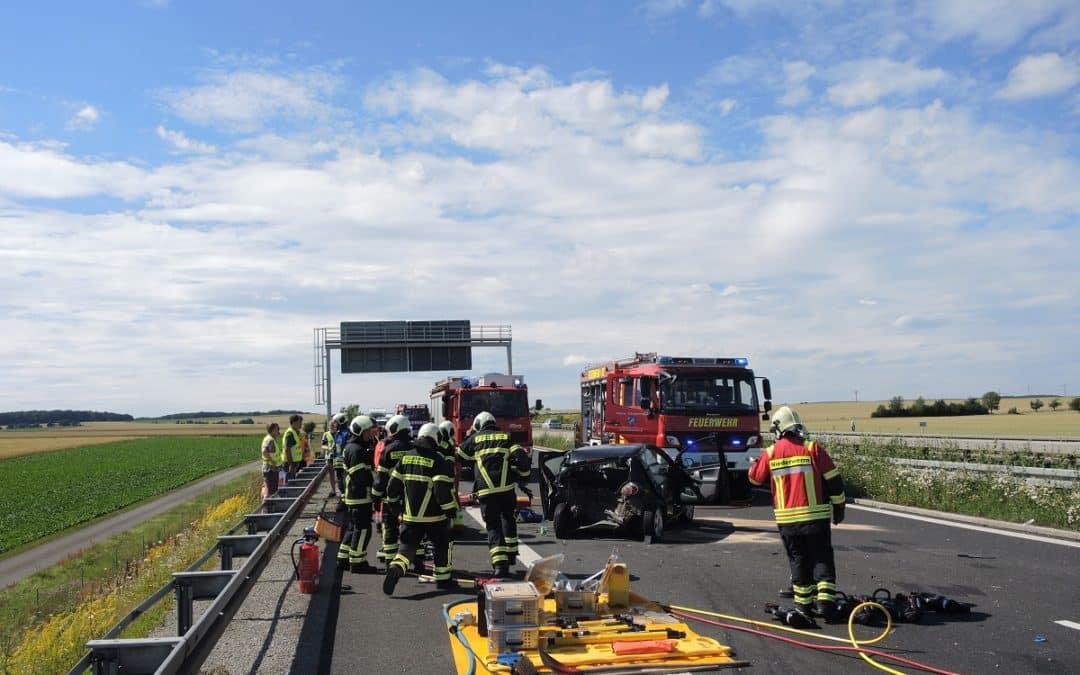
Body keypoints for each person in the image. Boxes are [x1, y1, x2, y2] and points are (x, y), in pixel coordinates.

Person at [749, 406, 846, 621]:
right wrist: (839, 506)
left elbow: (754, 479)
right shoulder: (812, 449)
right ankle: (826, 604)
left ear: (778, 429)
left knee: (798, 559)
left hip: (788, 521)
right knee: (821, 557)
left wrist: (755, 463)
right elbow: (834, 480)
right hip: (816, 517)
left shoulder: (771, 453)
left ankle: (803, 606)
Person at [382, 423, 458, 595]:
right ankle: (443, 579)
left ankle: (396, 567)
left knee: (407, 547)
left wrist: (394, 506)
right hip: (435, 518)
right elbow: (442, 491)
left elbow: (392, 488)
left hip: (410, 517)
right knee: (442, 545)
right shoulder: (439, 460)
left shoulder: (406, 458)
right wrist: (450, 512)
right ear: (435, 439)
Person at [456, 411, 531, 577]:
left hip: (486, 491)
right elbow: (522, 458)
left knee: (493, 526)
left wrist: (470, 442)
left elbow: (458, 456)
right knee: (508, 518)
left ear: (478, 425)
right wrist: (523, 477)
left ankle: (500, 565)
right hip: (506, 489)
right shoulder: (506, 437)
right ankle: (511, 554)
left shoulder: (475, 439)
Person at [338, 414, 379, 573]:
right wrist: (376, 482)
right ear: (360, 431)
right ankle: (357, 562)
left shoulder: (353, 447)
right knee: (363, 529)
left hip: (355, 495)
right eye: (369, 431)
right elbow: (360, 475)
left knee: (353, 528)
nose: (371, 434)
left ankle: (343, 559)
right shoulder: (356, 450)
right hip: (359, 496)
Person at [371, 414, 413, 566]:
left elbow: (380, 479)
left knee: (389, 528)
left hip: (391, 497)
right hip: (411, 498)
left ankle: (390, 561)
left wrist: (376, 500)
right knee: (413, 529)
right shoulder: (414, 448)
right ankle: (415, 560)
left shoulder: (388, 450)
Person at [438, 420, 465, 531]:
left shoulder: (440, 443)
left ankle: (452, 523)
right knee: (454, 497)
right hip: (451, 474)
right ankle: (458, 523)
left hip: (444, 474)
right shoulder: (451, 443)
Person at [260, 422, 283, 498]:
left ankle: (270, 505)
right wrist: (272, 461)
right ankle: (267, 507)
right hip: (270, 469)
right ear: (273, 430)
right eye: (277, 429)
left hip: (272, 468)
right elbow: (264, 451)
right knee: (270, 490)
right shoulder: (270, 440)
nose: (279, 430)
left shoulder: (271, 439)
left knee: (271, 489)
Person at [282, 413, 304, 479]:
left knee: (292, 481)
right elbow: (287, 450)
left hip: (294, 462)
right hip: (289, 463)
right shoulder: (290, 434)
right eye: (299, 422)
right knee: (289, 483)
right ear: (294, 423)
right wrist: (290, 465)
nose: (301, 425)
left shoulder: (295, 432)